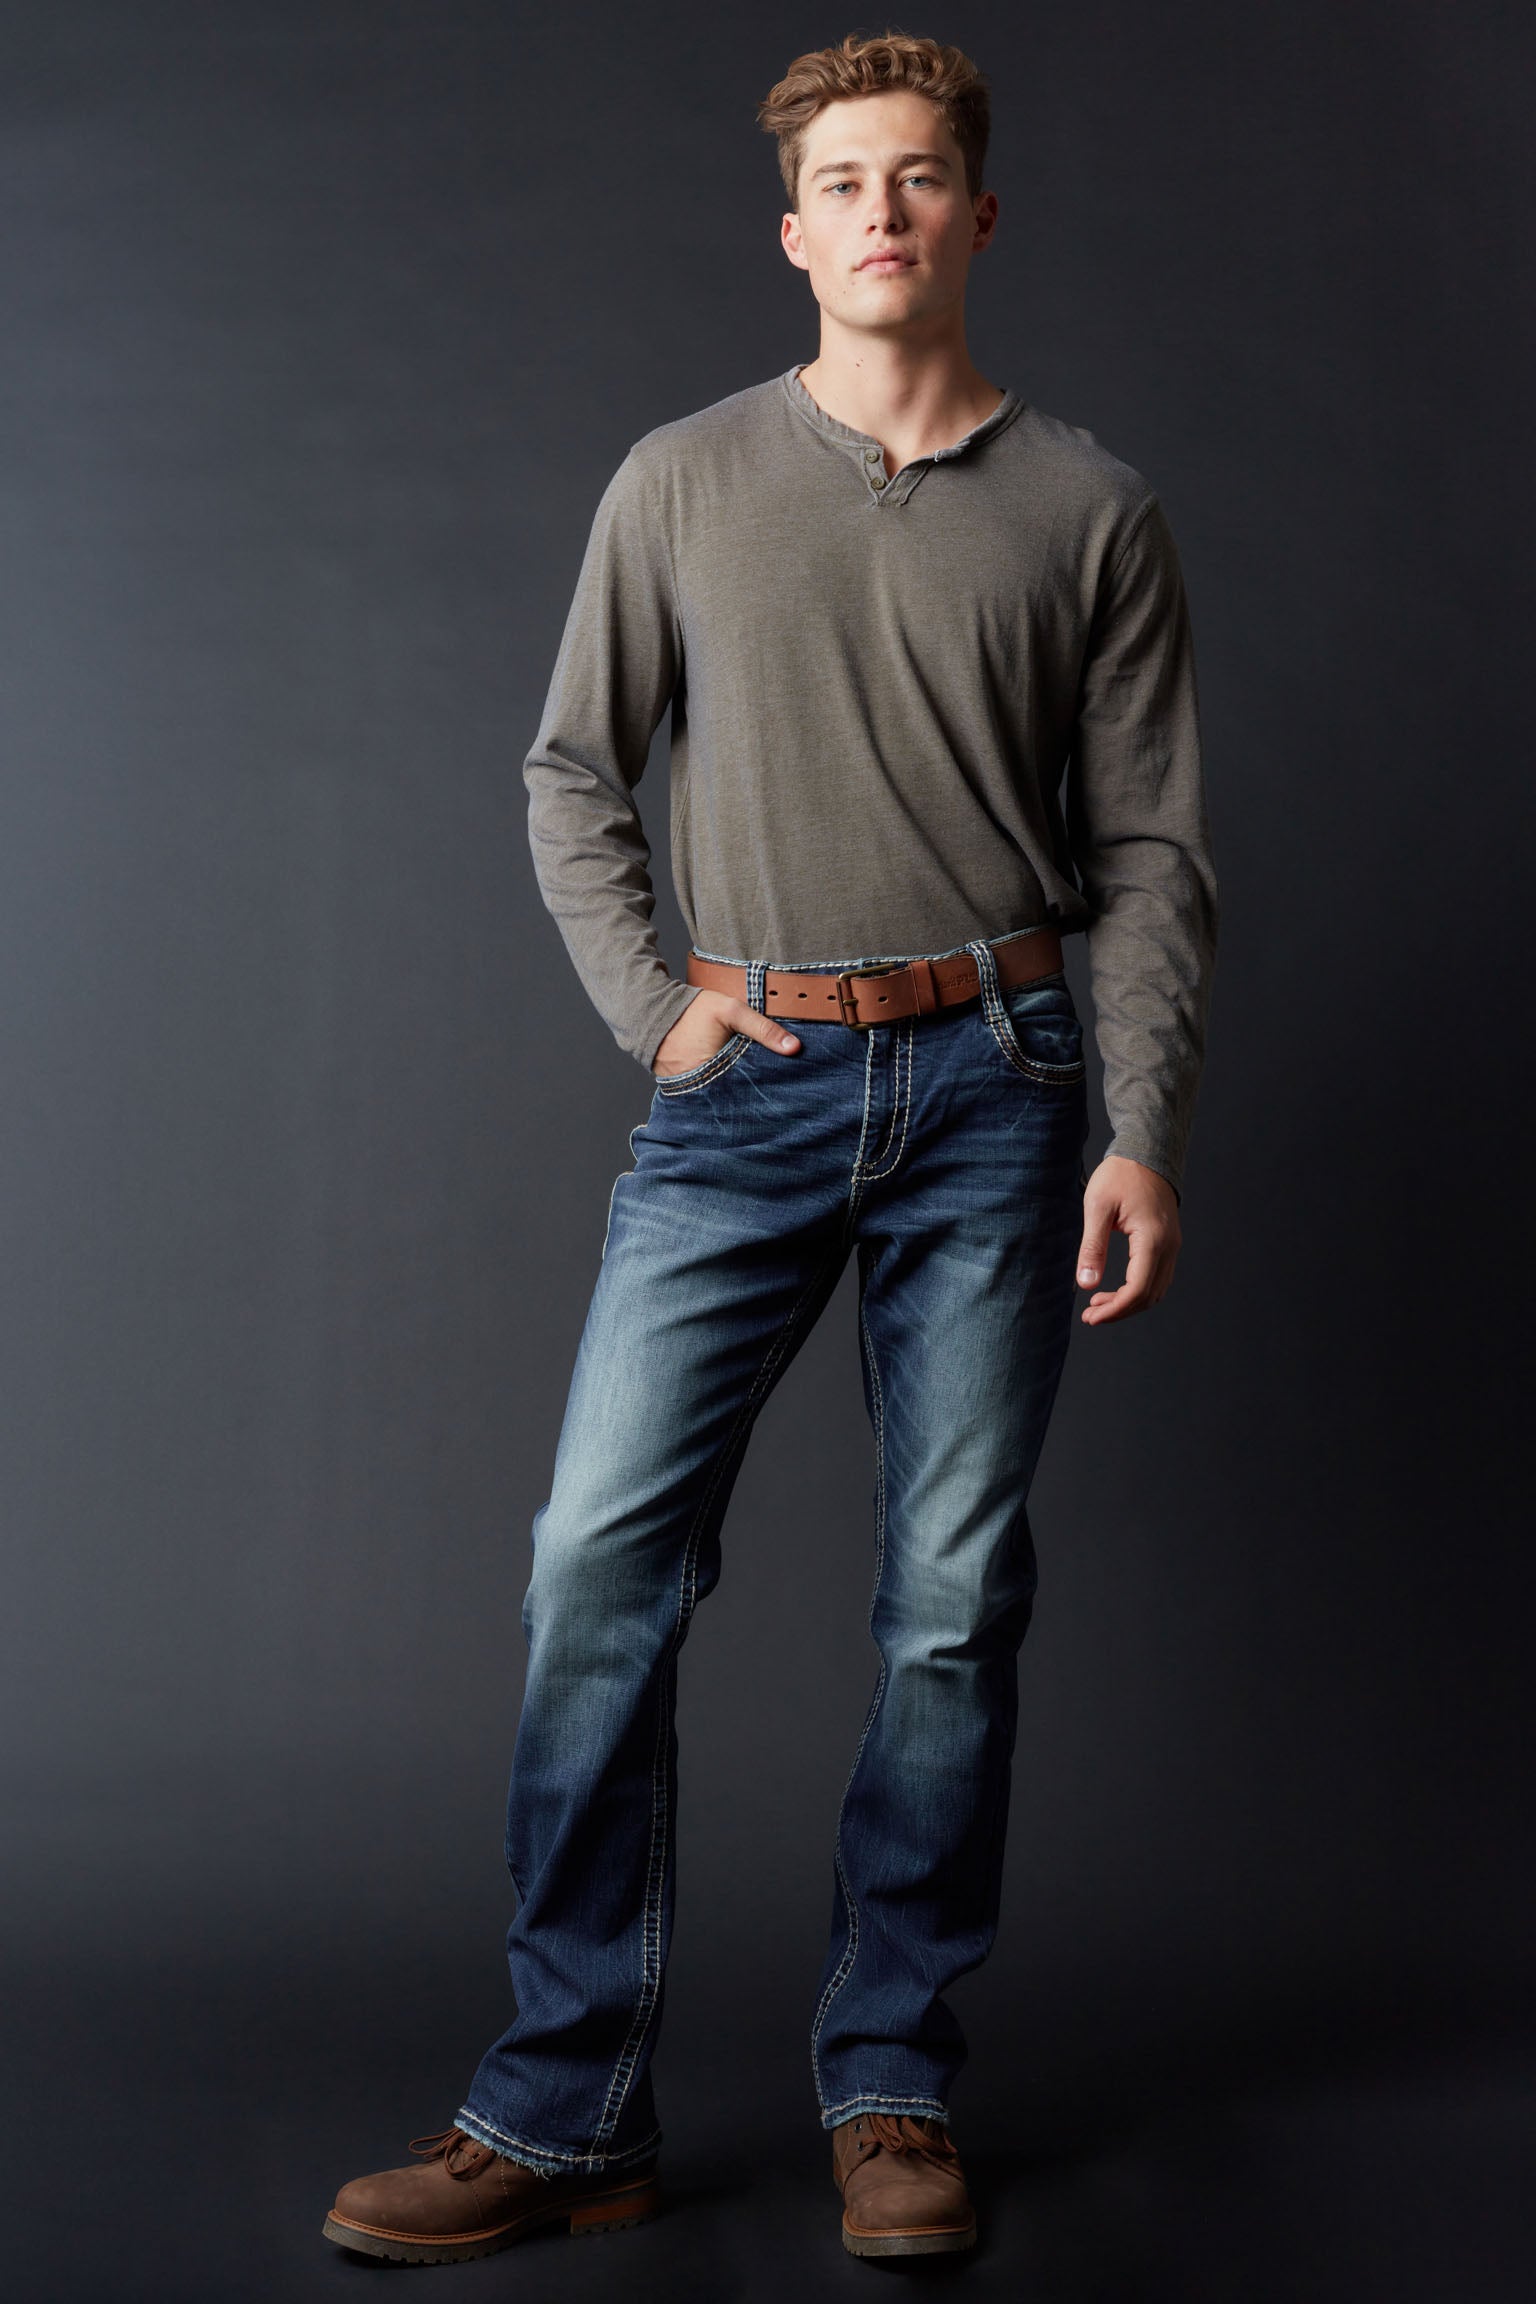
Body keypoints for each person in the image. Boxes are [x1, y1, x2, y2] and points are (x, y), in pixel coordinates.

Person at [323, 25, 1217, 2269]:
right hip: (745, 1091)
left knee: (948, 1607)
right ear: (794, 230)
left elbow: (1148, 849)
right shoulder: (683, 480)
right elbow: (570, 772)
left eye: (916, 177)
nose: (881, 212)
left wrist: (1140, 1125)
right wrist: (660, 1009)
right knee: (595, 1571)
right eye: (842, 182)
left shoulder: (1091, 509)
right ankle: (562, 2109)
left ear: (976, 215)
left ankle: (892, 2086)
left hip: (1001, 1083)